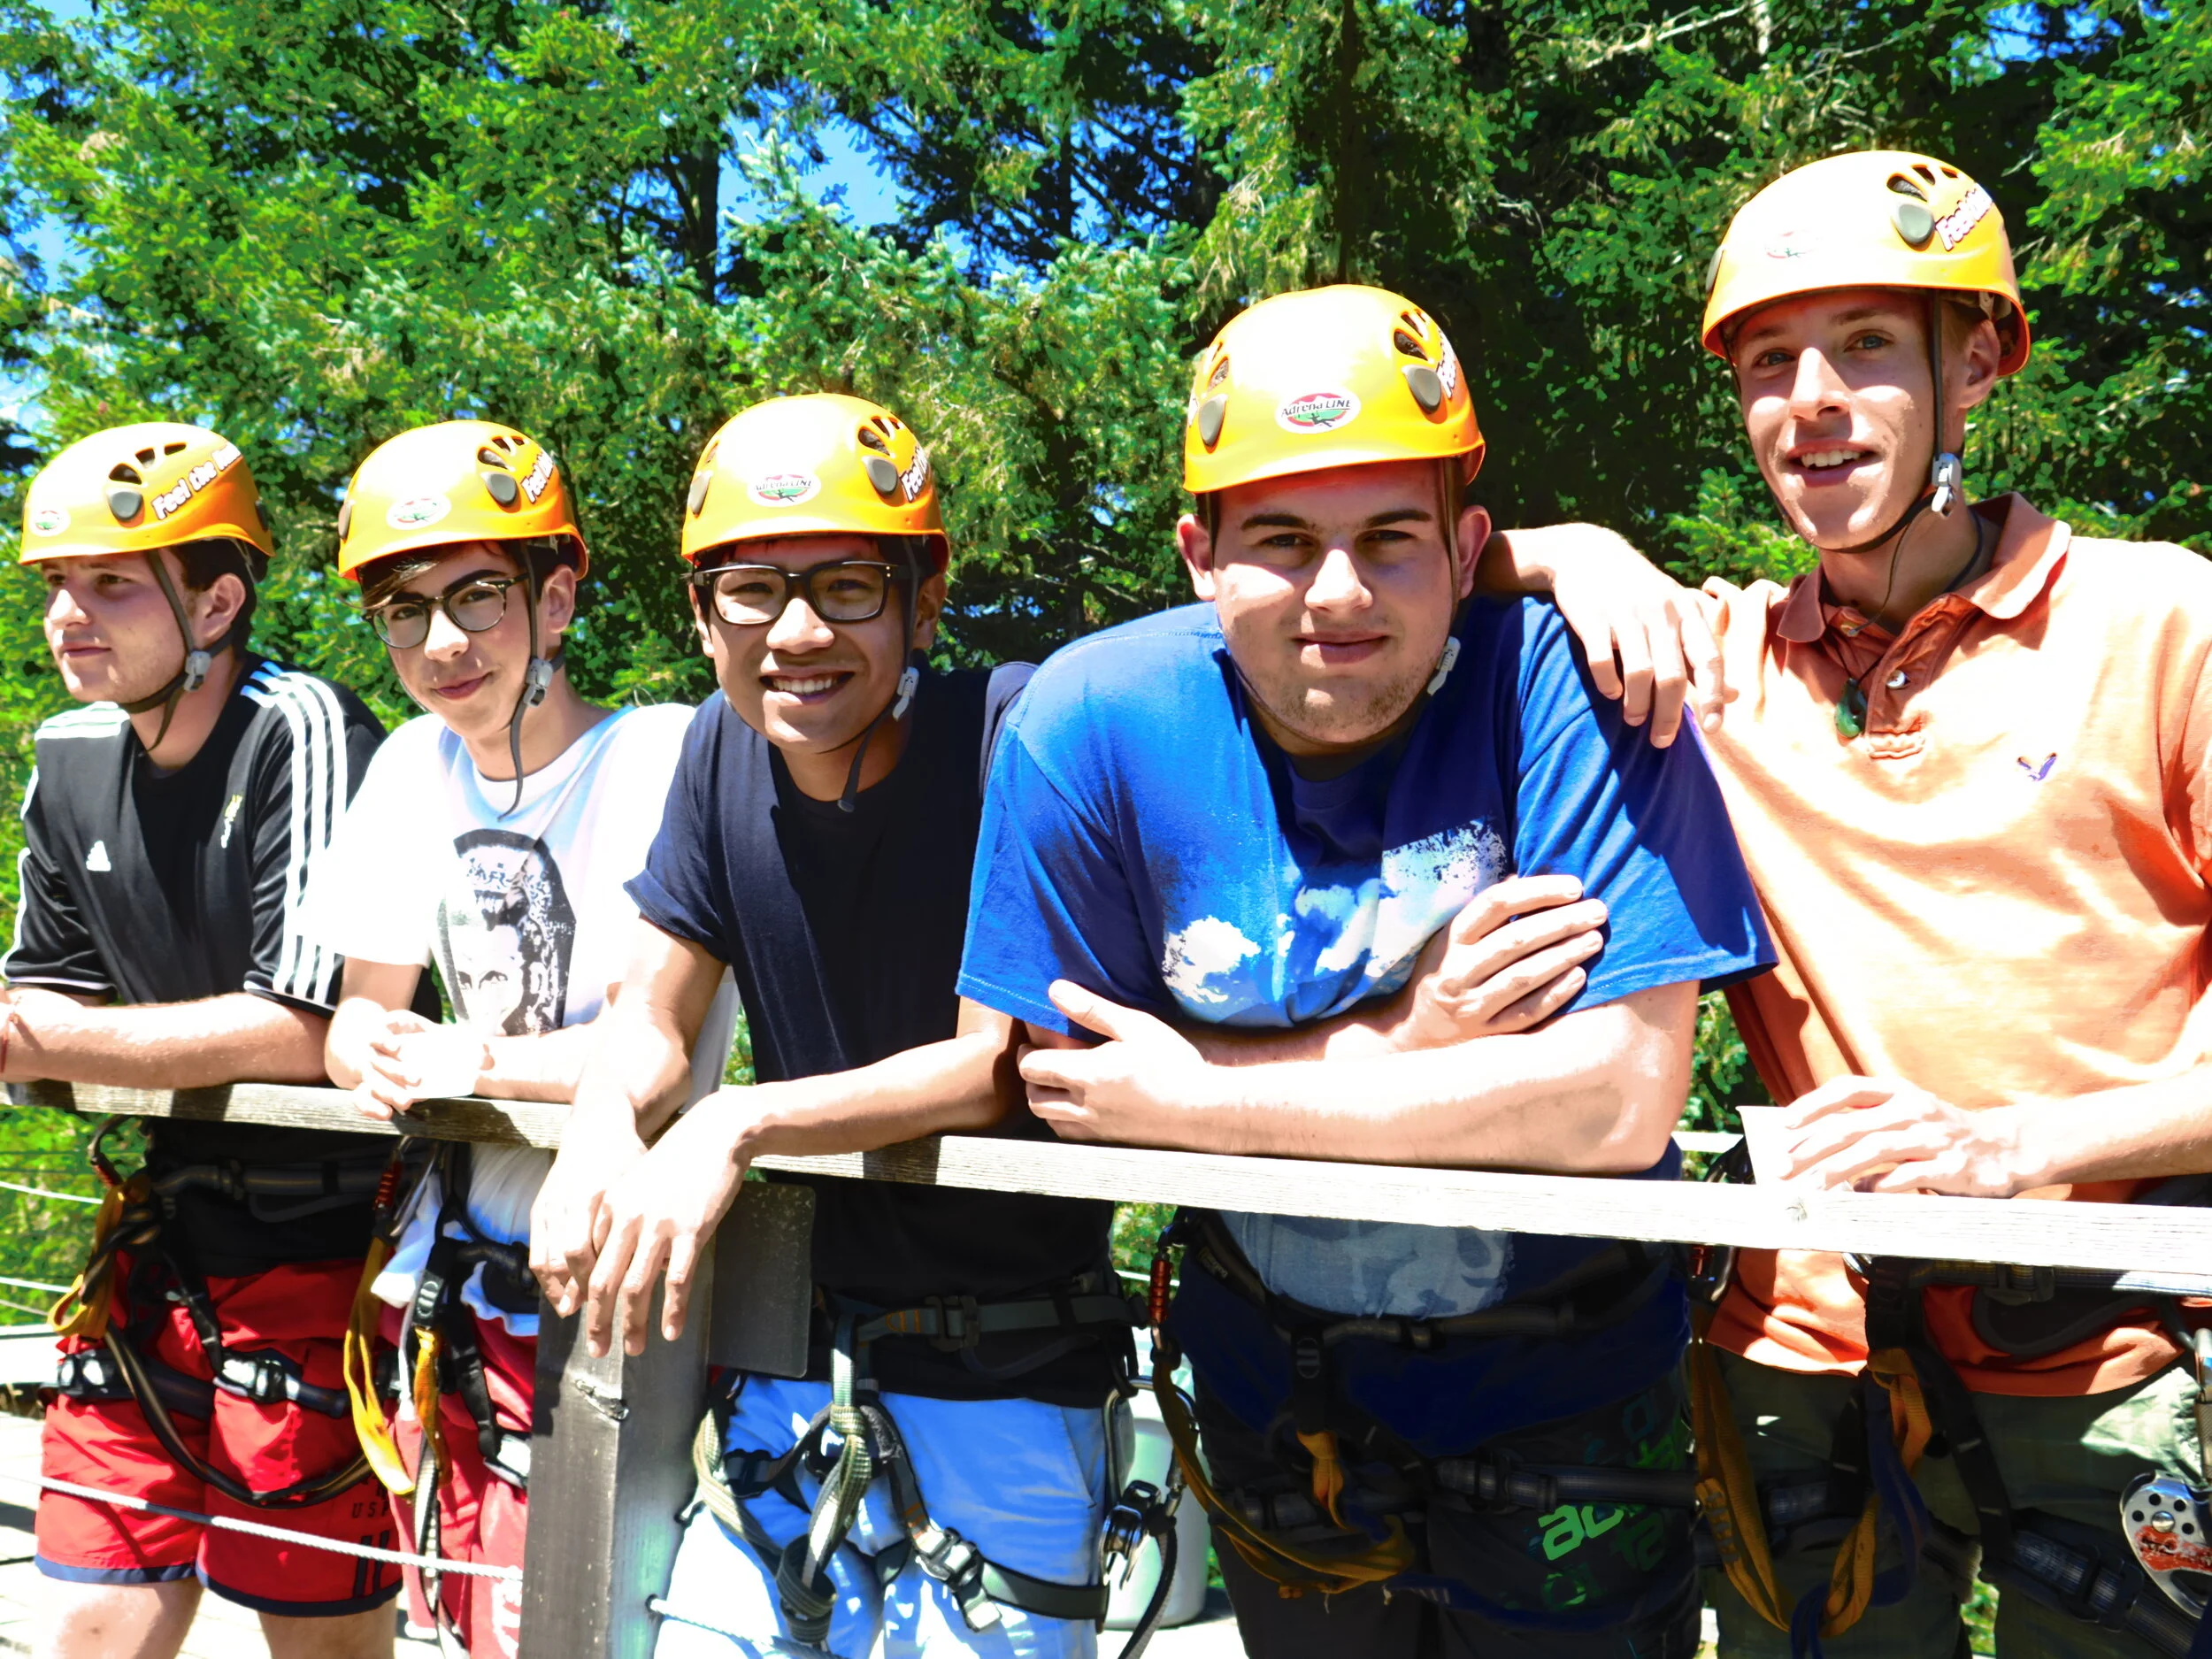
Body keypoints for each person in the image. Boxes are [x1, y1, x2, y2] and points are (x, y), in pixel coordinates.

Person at [955, 283, 1774, 1658]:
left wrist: (1200, 1098)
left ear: (1468, 550)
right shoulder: (1094, 723)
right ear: (1198, 554)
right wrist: (1425, 1045)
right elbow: (1066, 1081)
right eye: (1282, 541)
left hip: (1571, 1391)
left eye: (1390, 540)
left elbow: (1616, 1100)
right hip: (1281, 1398)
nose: (1338, 592)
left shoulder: (1578, 680)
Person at [1479, 150, 2212, 1657]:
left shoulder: (2165, 624)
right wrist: (1573, 549)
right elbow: (1402, 580)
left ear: (1980, 362)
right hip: (1804, 1360)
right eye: (1766, 361)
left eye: (1866, 345)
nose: (1807, 398)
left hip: (2108, 1350)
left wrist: (2011, 1146)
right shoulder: (1717, 660)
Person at [529, 392, 1142, 1658]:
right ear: (702, 616)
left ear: (925, 597)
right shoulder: (719, 754)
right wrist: (597, 1129)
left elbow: (990, 1062)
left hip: (1010, 1378)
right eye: (750, 589)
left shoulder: (1004, 734)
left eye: (850, 585)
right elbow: (651, 1006)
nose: (797, 631)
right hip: (800, 1368)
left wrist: (735, 1120)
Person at [4, 423, 402, 1659]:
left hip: (324, 1254)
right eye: (55, 583)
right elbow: (32, 1009)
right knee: (84, 1621)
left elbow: (309, 1027)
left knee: (315, 1634)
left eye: (113, 582)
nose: (71, 613)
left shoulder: (304, 728)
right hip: (155, 1252)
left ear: (218, 599)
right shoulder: (69, 757)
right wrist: (54, 1033)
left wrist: (67, 1036)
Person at [308, 419, 695, 1658]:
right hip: (465, 1282)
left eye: (478, 592)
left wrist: (465, 1061)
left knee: (582, 1626)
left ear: (559, 594)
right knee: (477, 1625)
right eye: (404, 607)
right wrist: (366, 1047)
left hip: (625, 1283)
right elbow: (360, 1011)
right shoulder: (411, 770)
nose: (441, 641)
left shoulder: (662, 754)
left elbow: (663, 1034)